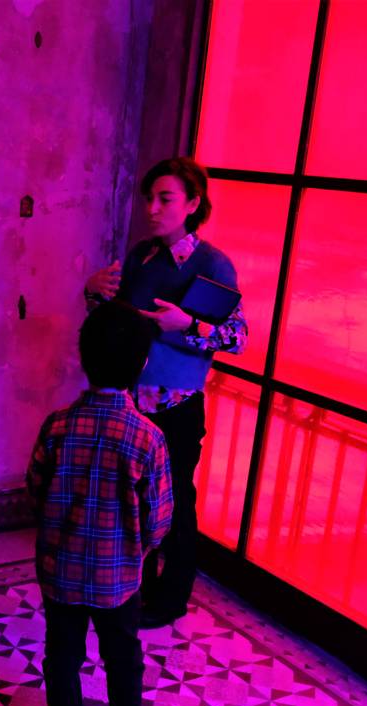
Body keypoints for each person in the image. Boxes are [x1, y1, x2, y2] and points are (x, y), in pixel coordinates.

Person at [85, 157, 247, 629]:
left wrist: (187, 324)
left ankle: (171, 597)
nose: (152, 209)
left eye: (165, 199)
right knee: (132, 497)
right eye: (150, 199)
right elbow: (117, 321)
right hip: (131, 400)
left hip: (176, 404)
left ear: (193, 204)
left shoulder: (212, 264)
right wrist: (93, 291)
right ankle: (130, 585)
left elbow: (237, 338)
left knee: (174, 501)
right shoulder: (143, 255)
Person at [26, 301, 173, 706]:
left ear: (83, 357)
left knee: (62, 656)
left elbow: (35, 488)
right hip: (119, 579)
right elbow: (159, 518)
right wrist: (140, 549)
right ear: (142, 364)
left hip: (60, 572)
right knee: (123, 658)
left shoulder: (57, 426)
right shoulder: (148, 438)